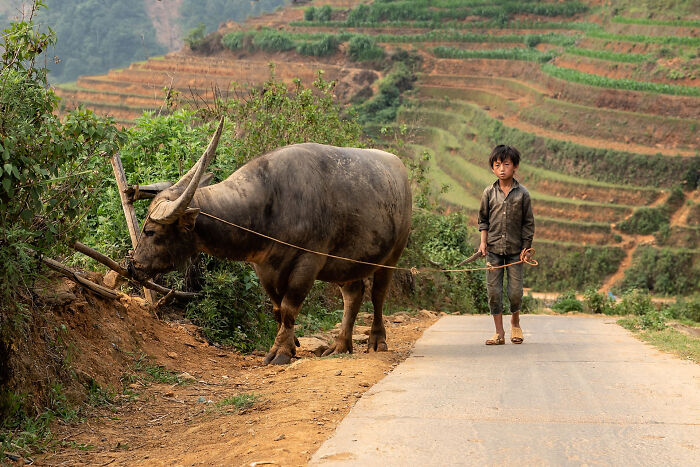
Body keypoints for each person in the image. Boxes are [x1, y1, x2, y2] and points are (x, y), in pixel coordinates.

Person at [477, 144, 535, 345]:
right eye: (497, 165)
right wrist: (483, 243)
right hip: (493, 250)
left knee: (515, 292)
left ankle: (515, 322)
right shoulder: (488, 193)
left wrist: (526, 248)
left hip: (515, 252)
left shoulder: (523, 194)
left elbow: (528, 223)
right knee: (493, 292)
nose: (502, 168)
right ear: (493, 168)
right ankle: (499, 333)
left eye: (506, 164)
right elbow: (483, 220)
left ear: (515, 167)